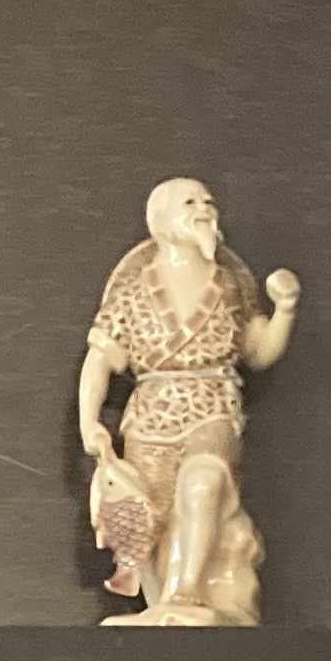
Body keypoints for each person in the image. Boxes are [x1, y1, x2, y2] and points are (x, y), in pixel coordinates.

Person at [76, 177, 302, 626]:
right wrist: (89, 421)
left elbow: (258, 350)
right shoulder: (133, 293)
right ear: (160, 219)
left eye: (208, 202)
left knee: (203, 483)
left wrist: (286, 309)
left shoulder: (229, 287)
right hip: (151, 416)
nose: (203, 210)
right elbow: (100, 360)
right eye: (190, 203)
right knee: (153, 517)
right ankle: (162, 607)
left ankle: (186, 594)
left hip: (212, 405)